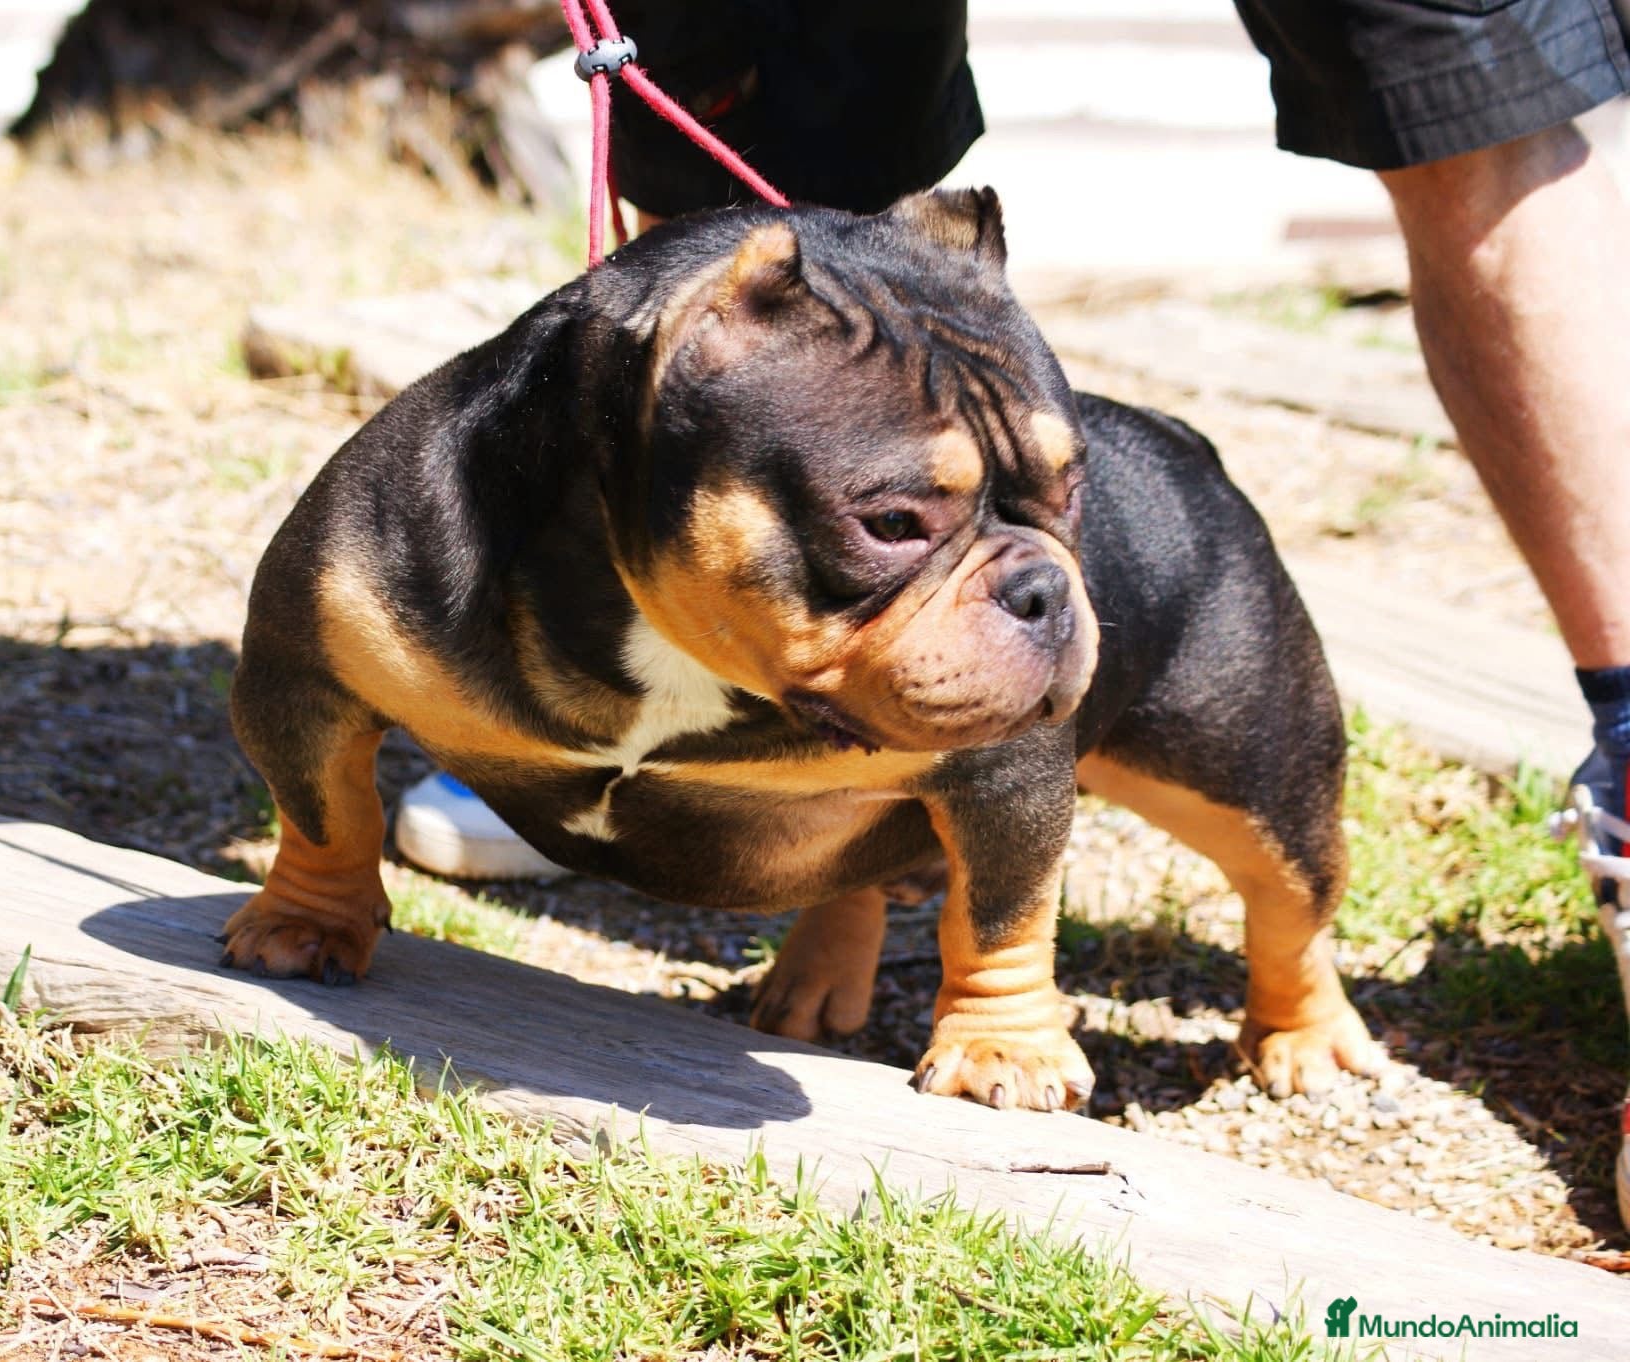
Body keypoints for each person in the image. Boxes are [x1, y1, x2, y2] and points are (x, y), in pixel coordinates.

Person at [388, 1, 1630, 1224]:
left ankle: (1411, 887)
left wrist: (1273, 986)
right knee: (779, 90)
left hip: (1187, 607)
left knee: (1475, 88)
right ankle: (676, 769)